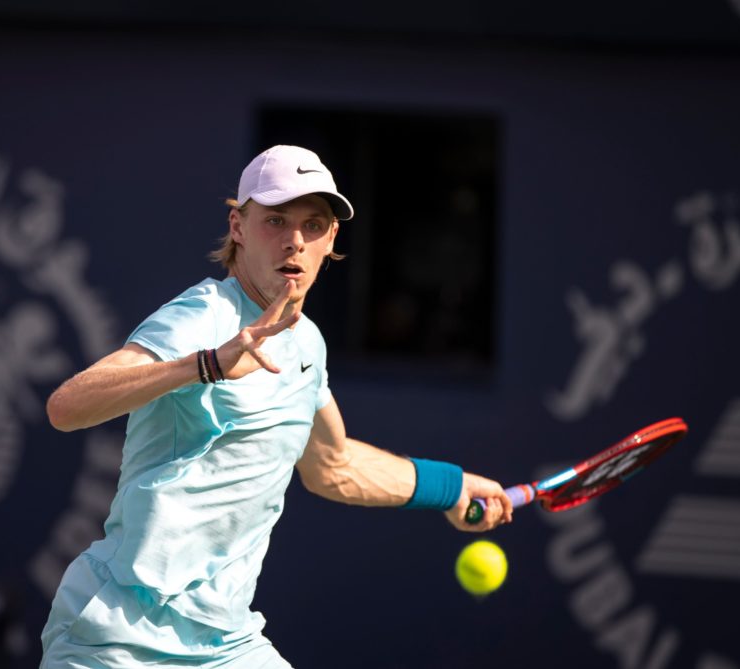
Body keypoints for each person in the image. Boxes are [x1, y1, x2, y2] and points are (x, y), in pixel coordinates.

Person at [40, 145, 513, 668]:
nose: (294, 240)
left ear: (331, 239)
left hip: (225, 642)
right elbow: (68, 406)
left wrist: (448, 487)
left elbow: (332, 466)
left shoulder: (306, 343)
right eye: (275, 220)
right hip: (117, 638)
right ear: (238, 227)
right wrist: (207, 365)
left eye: (313, 224)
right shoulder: (203, 316)